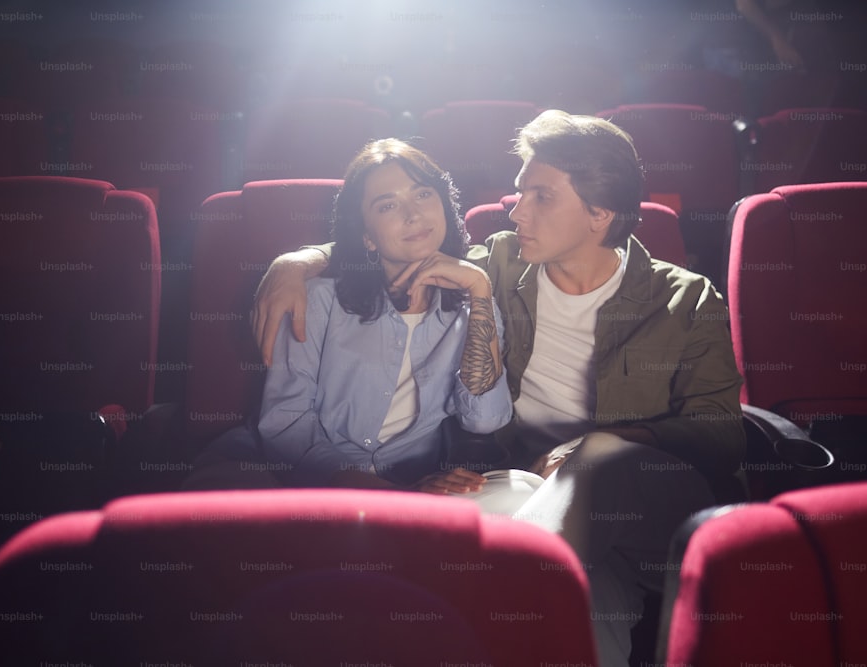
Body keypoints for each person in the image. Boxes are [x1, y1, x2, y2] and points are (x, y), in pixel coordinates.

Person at [251, 110, 745, 667]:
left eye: (540, 196)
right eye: (519, 192)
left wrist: (616, 441)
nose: (516, 209)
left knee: (599, 456)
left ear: (599, 214)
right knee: (584, 617)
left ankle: (502, 584)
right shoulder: (500, 265)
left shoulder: (685, 299)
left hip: (655, 514)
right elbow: (398, 246)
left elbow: (723, 434)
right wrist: (298, 261)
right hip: (536, 497)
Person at [182, 138, 512, 493]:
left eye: (422, 195)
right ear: (367, 237)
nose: (413, 214)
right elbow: (285, 427)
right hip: (291, 479)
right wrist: (390, 496)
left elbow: (484, 420)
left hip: (412, 485)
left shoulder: (475, 304)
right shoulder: (317, 297)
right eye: (388, 206)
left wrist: (479, 287)